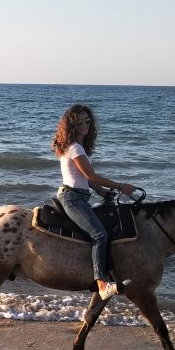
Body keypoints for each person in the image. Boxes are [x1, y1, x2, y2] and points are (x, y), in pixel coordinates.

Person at [51, 104, 137, 300]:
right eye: (79, 122)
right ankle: (102, 284)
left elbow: (85, 179)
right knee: (100, 235)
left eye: (87, 121)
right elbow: (91, 175)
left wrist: (101, 191)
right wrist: (120, 186)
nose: (85, 125)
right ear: (71, 125)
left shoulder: (74, 146)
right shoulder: (75, 148)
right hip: (72, 198)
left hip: (78, 195)